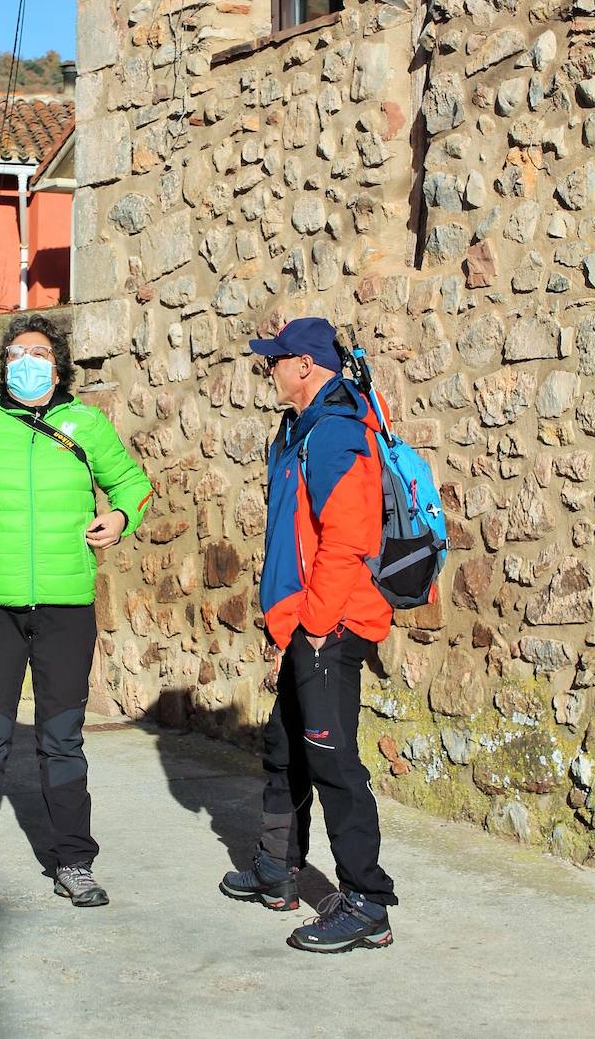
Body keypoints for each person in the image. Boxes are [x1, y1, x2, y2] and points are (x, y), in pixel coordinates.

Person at [0, 313, 152, 913]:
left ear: (58, 363)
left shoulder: (87, 424)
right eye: (17, 352)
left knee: (61, 739)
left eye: (39, 352)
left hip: (67, 605)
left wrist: (120, 518)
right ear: (5, 364)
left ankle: (73, 863)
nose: (27, 361)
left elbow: (131, 484)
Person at [219, 317, 397, 954]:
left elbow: (347, 540)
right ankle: (277, 869)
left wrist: (317, 628)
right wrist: (287, 630)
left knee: (332, 759)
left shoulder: (335, 434)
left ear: (306, 365)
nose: (268, 369)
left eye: (277, 359)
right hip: (304, 624)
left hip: (333, 626)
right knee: (285, 747)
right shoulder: (299, 430)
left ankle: (367, 900)